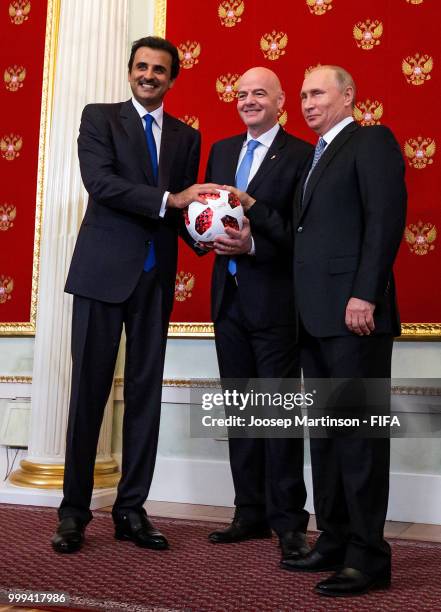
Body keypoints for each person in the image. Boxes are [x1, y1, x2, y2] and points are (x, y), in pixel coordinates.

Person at [52, 36, 213, 553]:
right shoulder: (99, 118)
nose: (149, 75)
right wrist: (171, 198)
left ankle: (131, 511)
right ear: (130, 72)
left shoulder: (188, 137)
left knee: (145, 397)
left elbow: (186, 212)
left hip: (154, 279)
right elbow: (101, 184)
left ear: (172, 79)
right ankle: (74, 514)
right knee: (89, 395)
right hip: (102, 275)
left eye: (159, 70)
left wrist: (214, 235)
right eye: (141, 67)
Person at [280, 65, 407, 597]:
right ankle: (332, 540)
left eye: (317, 93)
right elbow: (304, 233)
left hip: (356, 316)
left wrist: (365, 293)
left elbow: (385, 219)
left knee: (358, 440)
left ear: (348, 95)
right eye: (303, 94)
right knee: (328, 439)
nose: (307, 103)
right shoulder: (313, 159)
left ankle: (368, 556)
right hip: (312, 319)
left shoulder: (370, 140)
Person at [204, 67, 313, 565]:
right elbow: (200, 216)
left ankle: (290, 522)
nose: (248, 101)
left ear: (280, 100)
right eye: (241, 93)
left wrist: (252, 245)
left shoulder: (302, 155)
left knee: (279, 415)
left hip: (274, 303)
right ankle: (248, 512)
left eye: (259, 94)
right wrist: (203, 236)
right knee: (242, 413)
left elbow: (300, 233)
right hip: (226, 301)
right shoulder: (222, 150)